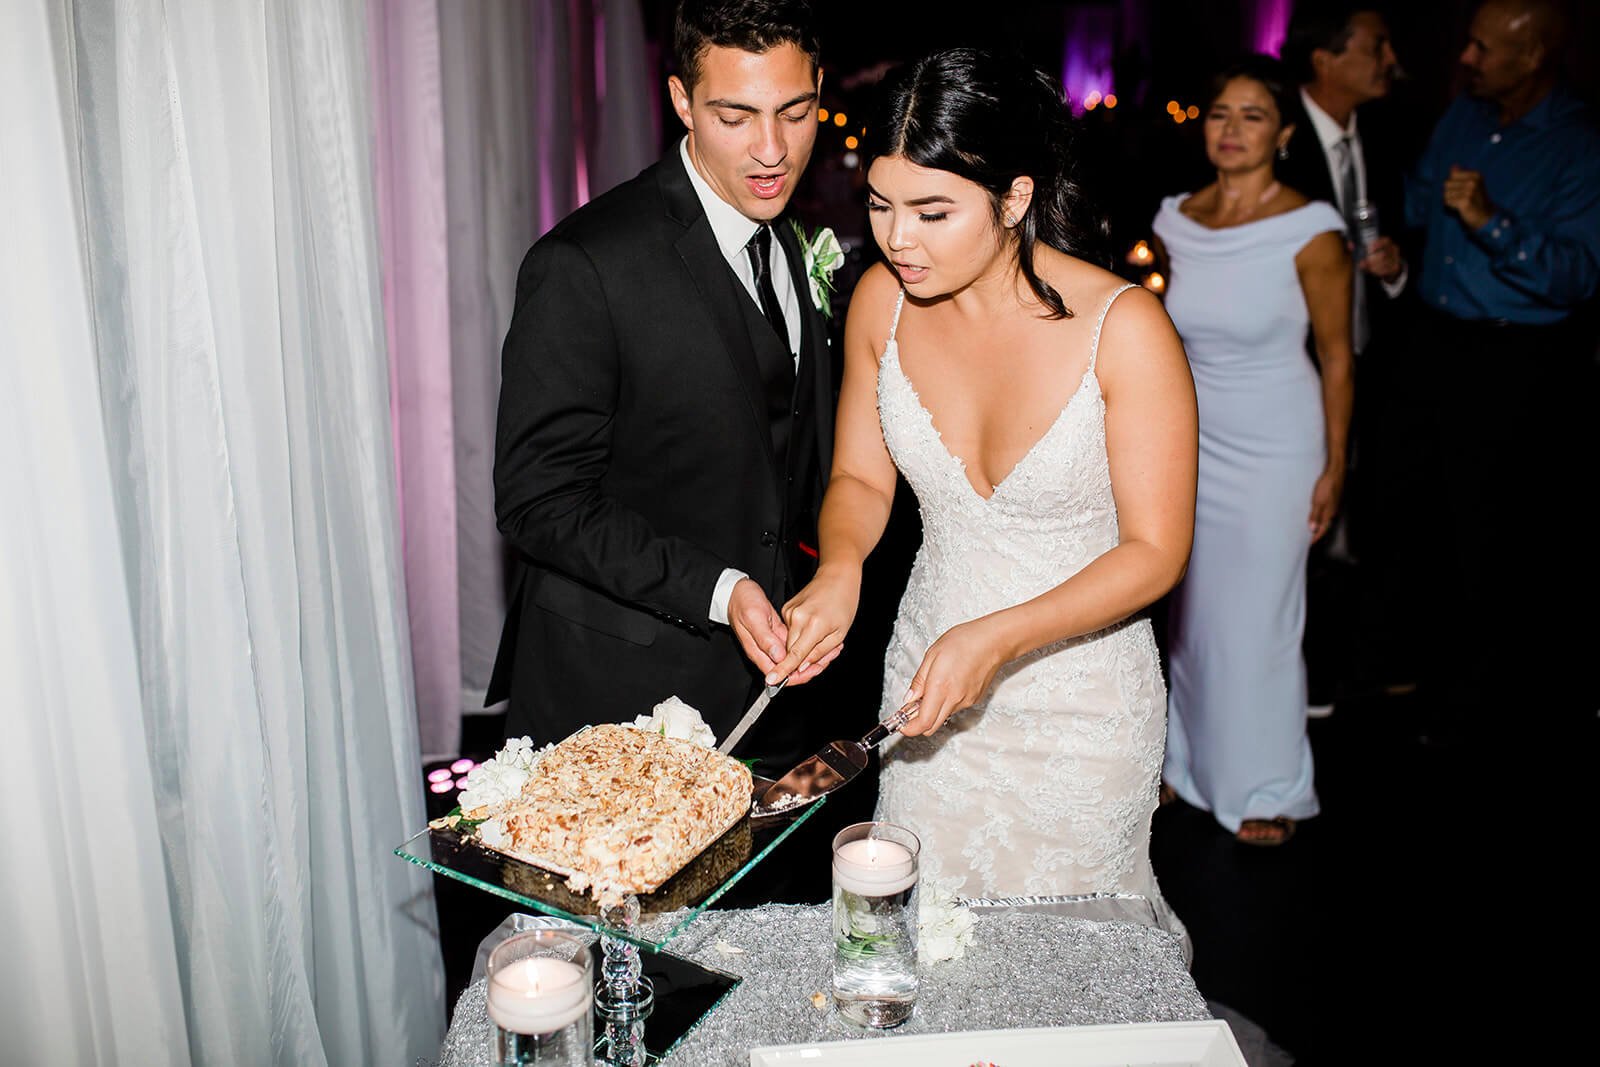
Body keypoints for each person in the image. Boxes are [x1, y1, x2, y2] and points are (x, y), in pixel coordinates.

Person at [770, 49, 1198, 910]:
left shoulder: (1125, 328)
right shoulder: (880, 304)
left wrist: (999, 638)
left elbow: (1157, 551)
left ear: (1014, 197)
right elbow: (858, 472)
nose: (897, 239)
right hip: (928, 682)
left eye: (932, 211)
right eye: (881, 205)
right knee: (918, 939)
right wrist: (842, 566)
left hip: (1083, 702)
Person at [485, 0, 837, 763]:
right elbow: (537, 499)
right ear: (681, 100)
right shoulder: (584, 265)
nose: (772, 149)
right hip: (615, 700)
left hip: (774, 700)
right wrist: (720, 587)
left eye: (795, 111)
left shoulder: (798, 237)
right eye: (735, 116)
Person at [1376, 0, 1600, 726]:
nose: (1465, 58)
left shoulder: (1578, 142)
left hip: (1518, 358)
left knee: (1497, 534)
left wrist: (1489, 222)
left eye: (1481, 46)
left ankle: (1484, 700)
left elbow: (1577, 275)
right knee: (1418, 513)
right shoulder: (1464, 117)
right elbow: (1416, 201)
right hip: (1433, 338)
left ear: (1533, 53)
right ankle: (1421, 667)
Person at [1151, 55, 1354, 846]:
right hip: (1194, 438)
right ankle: (1190, 764)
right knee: (1194, 615)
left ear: (1285, 134)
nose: (1232, 130)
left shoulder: (1311, 230)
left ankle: (1271, 784)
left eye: (1254, 116)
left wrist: (1337, 464)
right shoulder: (1175, 219)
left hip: (1278, 444)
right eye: (1220, 114)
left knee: (1262, 617)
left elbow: (1338, 355)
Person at [1278, 1, 1408, 710]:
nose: (1393, 61)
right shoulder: (1278, 141)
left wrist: (1391, 271)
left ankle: (1336, 666)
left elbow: (1405, 239)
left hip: (1365, 369)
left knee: (1355, 520)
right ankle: (1293, 674)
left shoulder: (1388, 136)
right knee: (1297, 527)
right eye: (1377, 45)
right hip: (1286, 379)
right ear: (1327, 58)